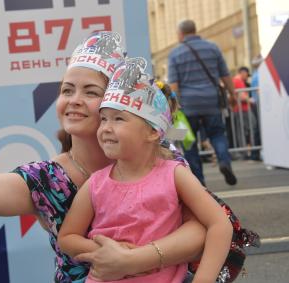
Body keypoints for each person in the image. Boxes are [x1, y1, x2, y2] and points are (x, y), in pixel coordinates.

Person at [0, 31, 207, 282]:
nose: (74, 99)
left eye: (90, 92)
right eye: (67, 90)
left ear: (116, 101)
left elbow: (203, 228)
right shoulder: (47, 179)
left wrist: (134, 260)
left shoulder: (159, 157)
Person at [58, 58, 233, 283]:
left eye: (118, 119)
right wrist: (106, 251)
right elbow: (67, 237)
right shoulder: (96, 183)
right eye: (103, 119)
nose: (106, 128)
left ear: (153, 132)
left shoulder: (174, 174)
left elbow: (219, 224)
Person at [168, 19, 237, 186]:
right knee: (217, 134)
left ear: (181, 34)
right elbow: (225, 75)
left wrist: (173, 108)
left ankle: (199, 182)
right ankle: (224, 162)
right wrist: (232, 94)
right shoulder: (212, 48)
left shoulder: (175, 54)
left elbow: (174, 85)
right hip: (211, 102)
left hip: (187, 107)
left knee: (189, 143)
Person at [232, 67, 258, 159]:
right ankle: (247, 153)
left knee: (242, 131)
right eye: (246, 74)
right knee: (250, 128)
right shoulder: (238, 81)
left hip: (239, 109)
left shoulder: (235, 80)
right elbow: (242, 96)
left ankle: (245, 152)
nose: (247, 77)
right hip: (243, 109)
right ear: (242, 73)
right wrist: (251, 100)